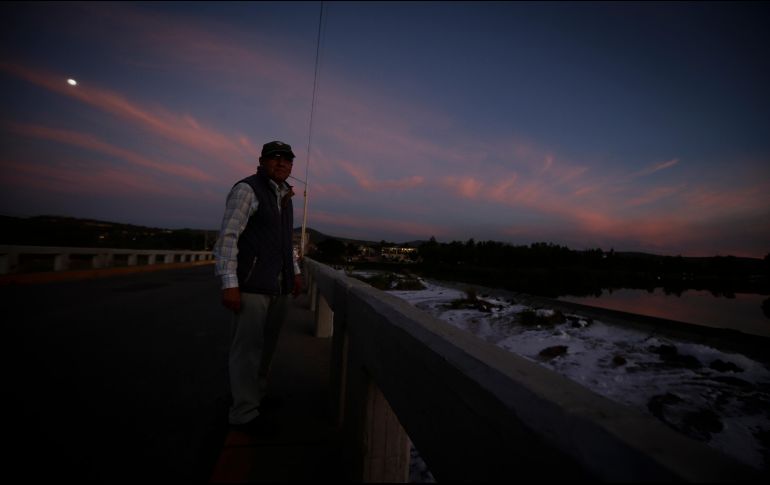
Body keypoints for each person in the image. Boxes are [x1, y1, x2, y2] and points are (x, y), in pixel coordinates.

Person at [213, 140, 303, 434]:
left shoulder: (286, 197)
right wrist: (229, 284)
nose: (281, 163)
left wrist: (296, 272)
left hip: (278, 286)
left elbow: (285, 242)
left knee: (266, 347)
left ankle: (256, 397)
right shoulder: (247, 189)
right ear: (262, 161)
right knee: (247, 349)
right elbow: (228, 237)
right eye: (274, 158)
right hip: (251, 285)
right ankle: (243, 413)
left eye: (286, 159)